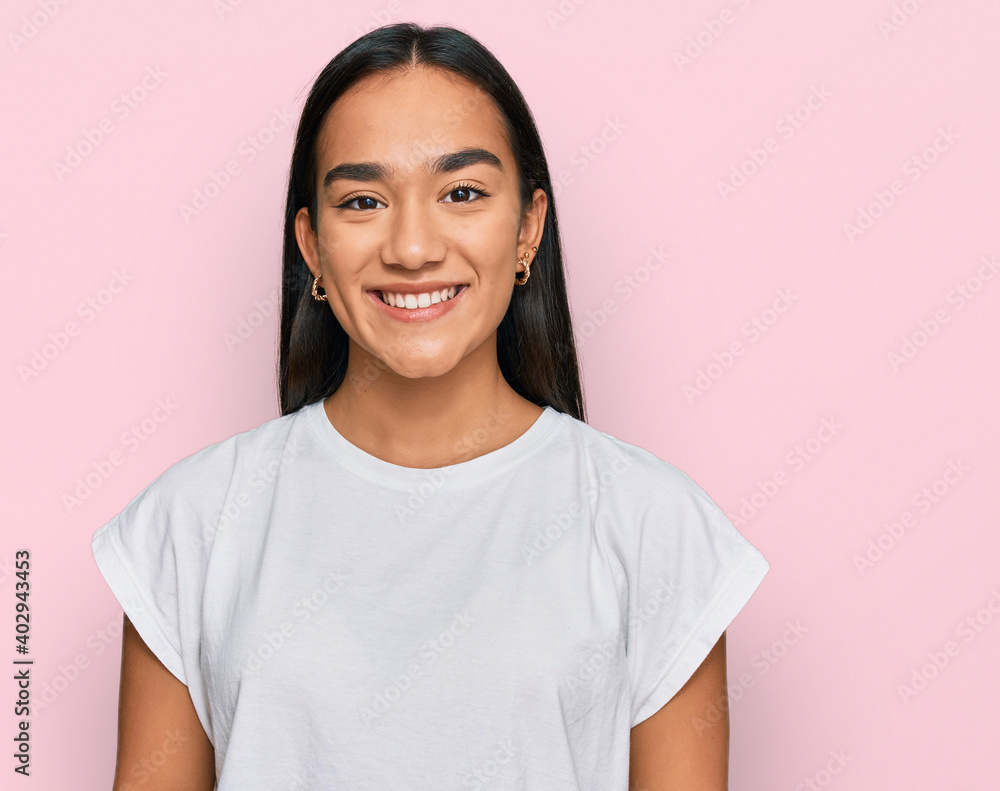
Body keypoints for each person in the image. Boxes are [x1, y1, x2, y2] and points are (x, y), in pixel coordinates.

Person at [91, 22, 770, 790]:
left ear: (529, 230)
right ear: (312, 248)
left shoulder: (657, 530)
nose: (412, 247)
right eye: (363, 200)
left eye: (463, 192)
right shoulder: (189, 525)